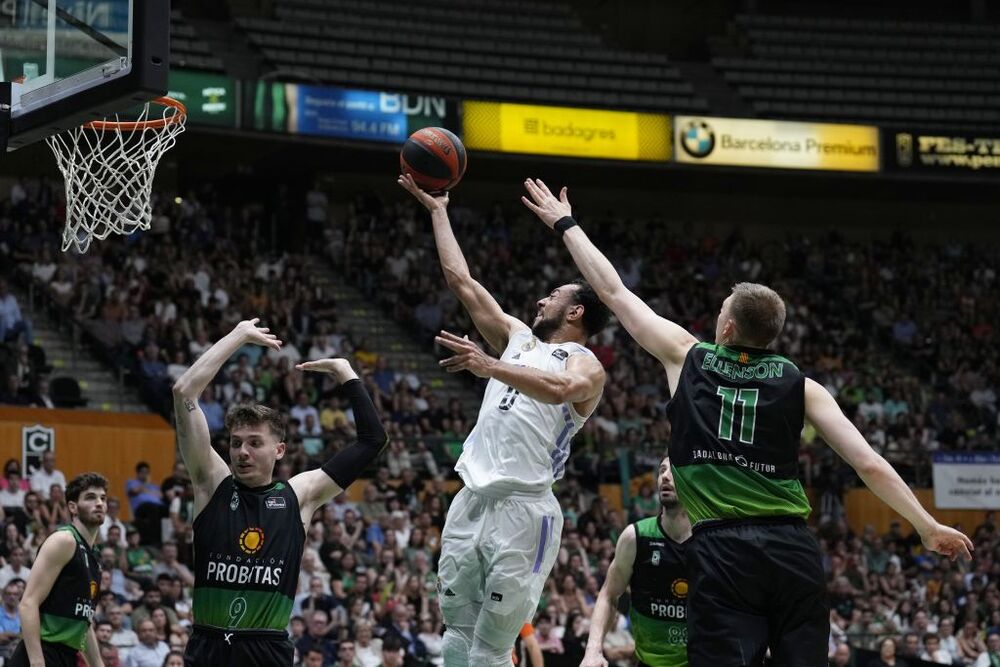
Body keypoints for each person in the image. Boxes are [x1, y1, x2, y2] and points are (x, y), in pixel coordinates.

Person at [521, 177, 975, 667]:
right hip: (793, 551)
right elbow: (868, 462)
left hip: (723, 548)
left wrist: (565, 223)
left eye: (720, 311)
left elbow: (611, 290)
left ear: (728, 326)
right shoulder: (803, 386)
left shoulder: (687, 355)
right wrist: (925, 525)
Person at [398, 175, 609, 667]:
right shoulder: (517, 336)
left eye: (553, 295)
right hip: (471, 497)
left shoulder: (585, 363)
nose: (540, 301)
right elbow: (461, 281)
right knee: (455, 633)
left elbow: (561, 391)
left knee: (492, 647)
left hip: (525, 509)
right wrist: (438, 210)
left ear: (575, 310)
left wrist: (489, 366)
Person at [171, 318, 388, 667]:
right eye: (237, 443)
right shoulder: (211, 483)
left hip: (266, 650)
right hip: (207, 645)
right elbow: (184, 393)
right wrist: (238, 335)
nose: (242, 452)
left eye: (255, 443)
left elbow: (372, 440)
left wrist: (346, 374)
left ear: (280, 450)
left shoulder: (298, 495)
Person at [581, 456, 691, 667]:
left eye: (674, 471)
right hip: (648, 661)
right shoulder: (635, 537)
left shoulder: (708, 541)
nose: (665, 477)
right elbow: (609, 595)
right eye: (661, 471)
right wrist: (593, 650)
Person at [9, 473, 107, 667]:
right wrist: (37, 663)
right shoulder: (64, 541)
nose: (99, 503)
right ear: (72, 507)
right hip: (43, 654)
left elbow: (83, 621)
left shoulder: (94, 555)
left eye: (102, 498)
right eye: (90, 497)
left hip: (67, 657)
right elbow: (28, 604)